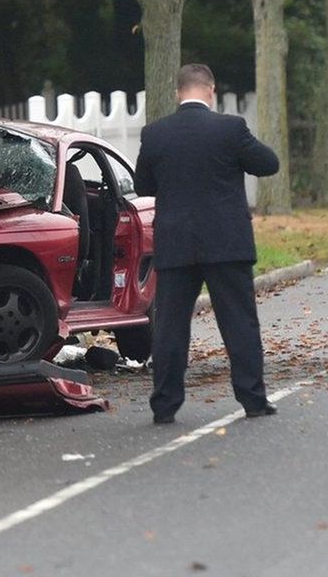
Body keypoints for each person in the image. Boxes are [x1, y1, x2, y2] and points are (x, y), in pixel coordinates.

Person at [134, 64, 280, 425]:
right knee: (239, 323)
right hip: (226, 242)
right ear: (210, 90)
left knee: (170, 326)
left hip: (176, 243)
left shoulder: (155, 134)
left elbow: (142, 186)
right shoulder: (231, 129)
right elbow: (268, 164)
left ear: (177, 93)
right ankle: (253, 399)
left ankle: (164, 406)